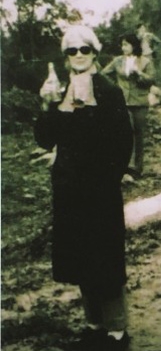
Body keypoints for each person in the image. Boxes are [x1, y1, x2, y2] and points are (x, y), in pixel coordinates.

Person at [35, 25, 133, 351]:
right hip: (69, 191)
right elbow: (45, 139)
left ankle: (117, 331)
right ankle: (94, 327)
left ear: (94, 52)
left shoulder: (108, 91)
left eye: (84, 49)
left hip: (100, 192)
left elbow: (123, 143)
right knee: (81, 259)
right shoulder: (59, 91)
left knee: (105, 259)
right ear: (65, 56)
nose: (78, 55)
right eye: (72, 50)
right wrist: (46, 104)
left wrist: (107, 180)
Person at [102, 32, 155, 178]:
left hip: (140, 102)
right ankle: (126, 166)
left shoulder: (145, 61)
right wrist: (114, 87)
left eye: (126, 45)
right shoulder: (118, 61)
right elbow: (103, 74)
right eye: (122, 45)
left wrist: (139, 74)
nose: (123, 48)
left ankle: (137, 169)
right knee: (125, 133)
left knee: (138, 134)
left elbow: (151, 79)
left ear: (134, 45)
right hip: (123, 101)